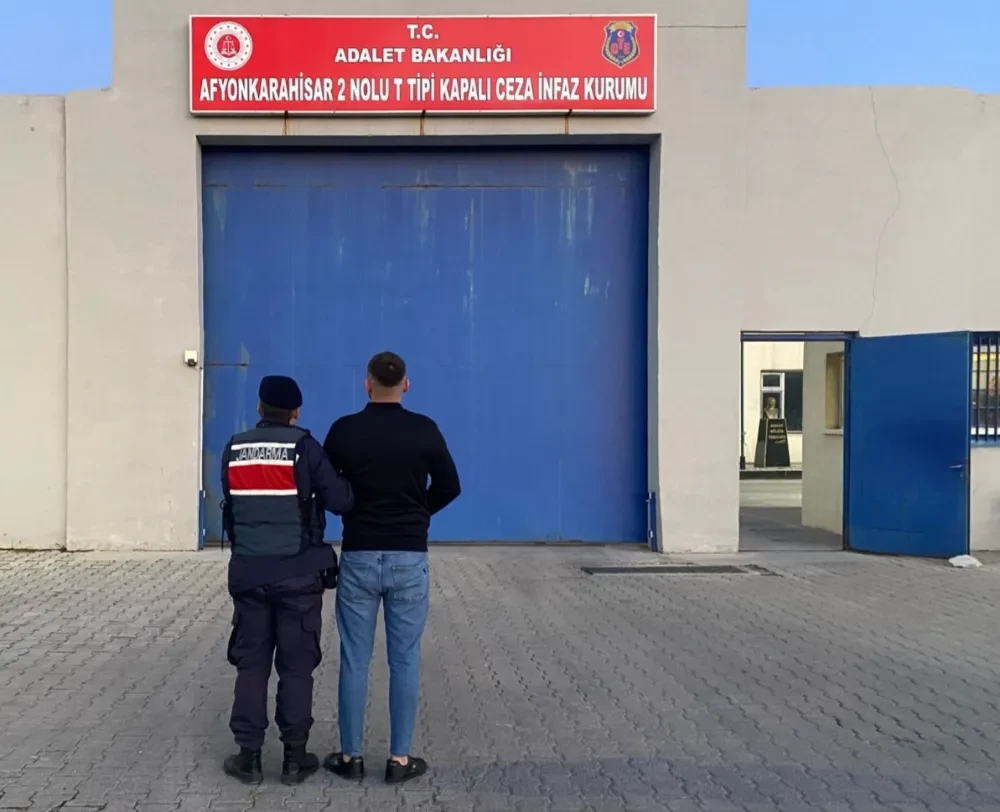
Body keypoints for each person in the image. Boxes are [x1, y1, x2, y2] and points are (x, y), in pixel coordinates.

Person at [321, 351, 461, 785]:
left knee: (354, 659)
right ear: (406, 384)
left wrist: (350, 510)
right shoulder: (424, 429)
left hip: (360, 553)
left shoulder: (344, 430)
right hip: (408, 557)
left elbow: (326, 487)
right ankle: (399, 760)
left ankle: (350, 757)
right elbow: (450, 486)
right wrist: (418, 514)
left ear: (366, 385)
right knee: (404, 660)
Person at [221, 375, 354, 786]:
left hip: (249, 574)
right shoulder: (305, 448)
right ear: (295, 412)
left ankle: (249, 758)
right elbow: (341, 501)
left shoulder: (234, 448)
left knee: (252, 665)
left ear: (259, 407)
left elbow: (232, 506)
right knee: (296, 668)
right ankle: (295, 759)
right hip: (298, 577)